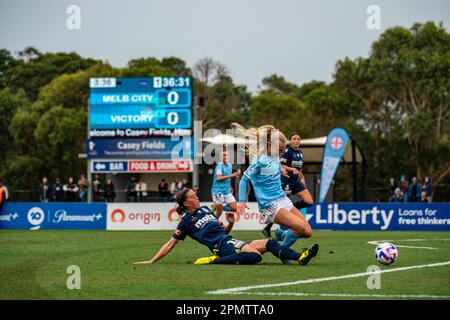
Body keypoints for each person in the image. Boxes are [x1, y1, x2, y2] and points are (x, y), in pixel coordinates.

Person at [133, 188, 318, 266]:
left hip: (228, 241)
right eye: (192, 196)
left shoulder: (206, 210)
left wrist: (231, 222)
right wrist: (152, 261)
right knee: (254, 256)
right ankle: (214, 261)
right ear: (185, 202)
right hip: (222, 247)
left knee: (269, 244)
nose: (196, 196)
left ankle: (300, 257)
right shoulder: (186, 222)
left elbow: (223, 232)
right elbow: (170, 244)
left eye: (195, 194)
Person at [233, 123, 319, 262]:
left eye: (282, 150)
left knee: (307, 232)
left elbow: (273, 168)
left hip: (283, 199)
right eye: (279, 150)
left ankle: (282, 235)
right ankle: (284, 254)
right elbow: (244, 180)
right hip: (270, 205)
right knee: (301, 227)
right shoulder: (258, 161)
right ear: (269, 145)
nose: (281, 153)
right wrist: (241, 201)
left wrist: (282, 170)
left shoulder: (275, 156)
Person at [262, 132, 313, 239]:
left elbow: (299, 167)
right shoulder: (287, 151)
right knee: (281, 206)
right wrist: (292, 169)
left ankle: (292, 208)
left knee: (309, 201)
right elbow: (281, 165)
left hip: (296, 182)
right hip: (286, 182)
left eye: (298, 139)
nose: (296, 141)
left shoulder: (300, 152)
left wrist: (302, 177)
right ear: (290, 141)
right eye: (294, 139)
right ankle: (267, 227)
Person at [211, 149, 239, 219]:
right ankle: (213, 223)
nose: (226, 156)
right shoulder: (219, 166)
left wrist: (230, 186)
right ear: (221, 157)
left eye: (227, 155)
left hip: (226, 191)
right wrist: (231, 175)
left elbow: (228, 178)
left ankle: (216, 206)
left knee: (234, 208)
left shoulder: (230, 165)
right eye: (224, 155)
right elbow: (219, 178)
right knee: (219, 212)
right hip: (218, 191)